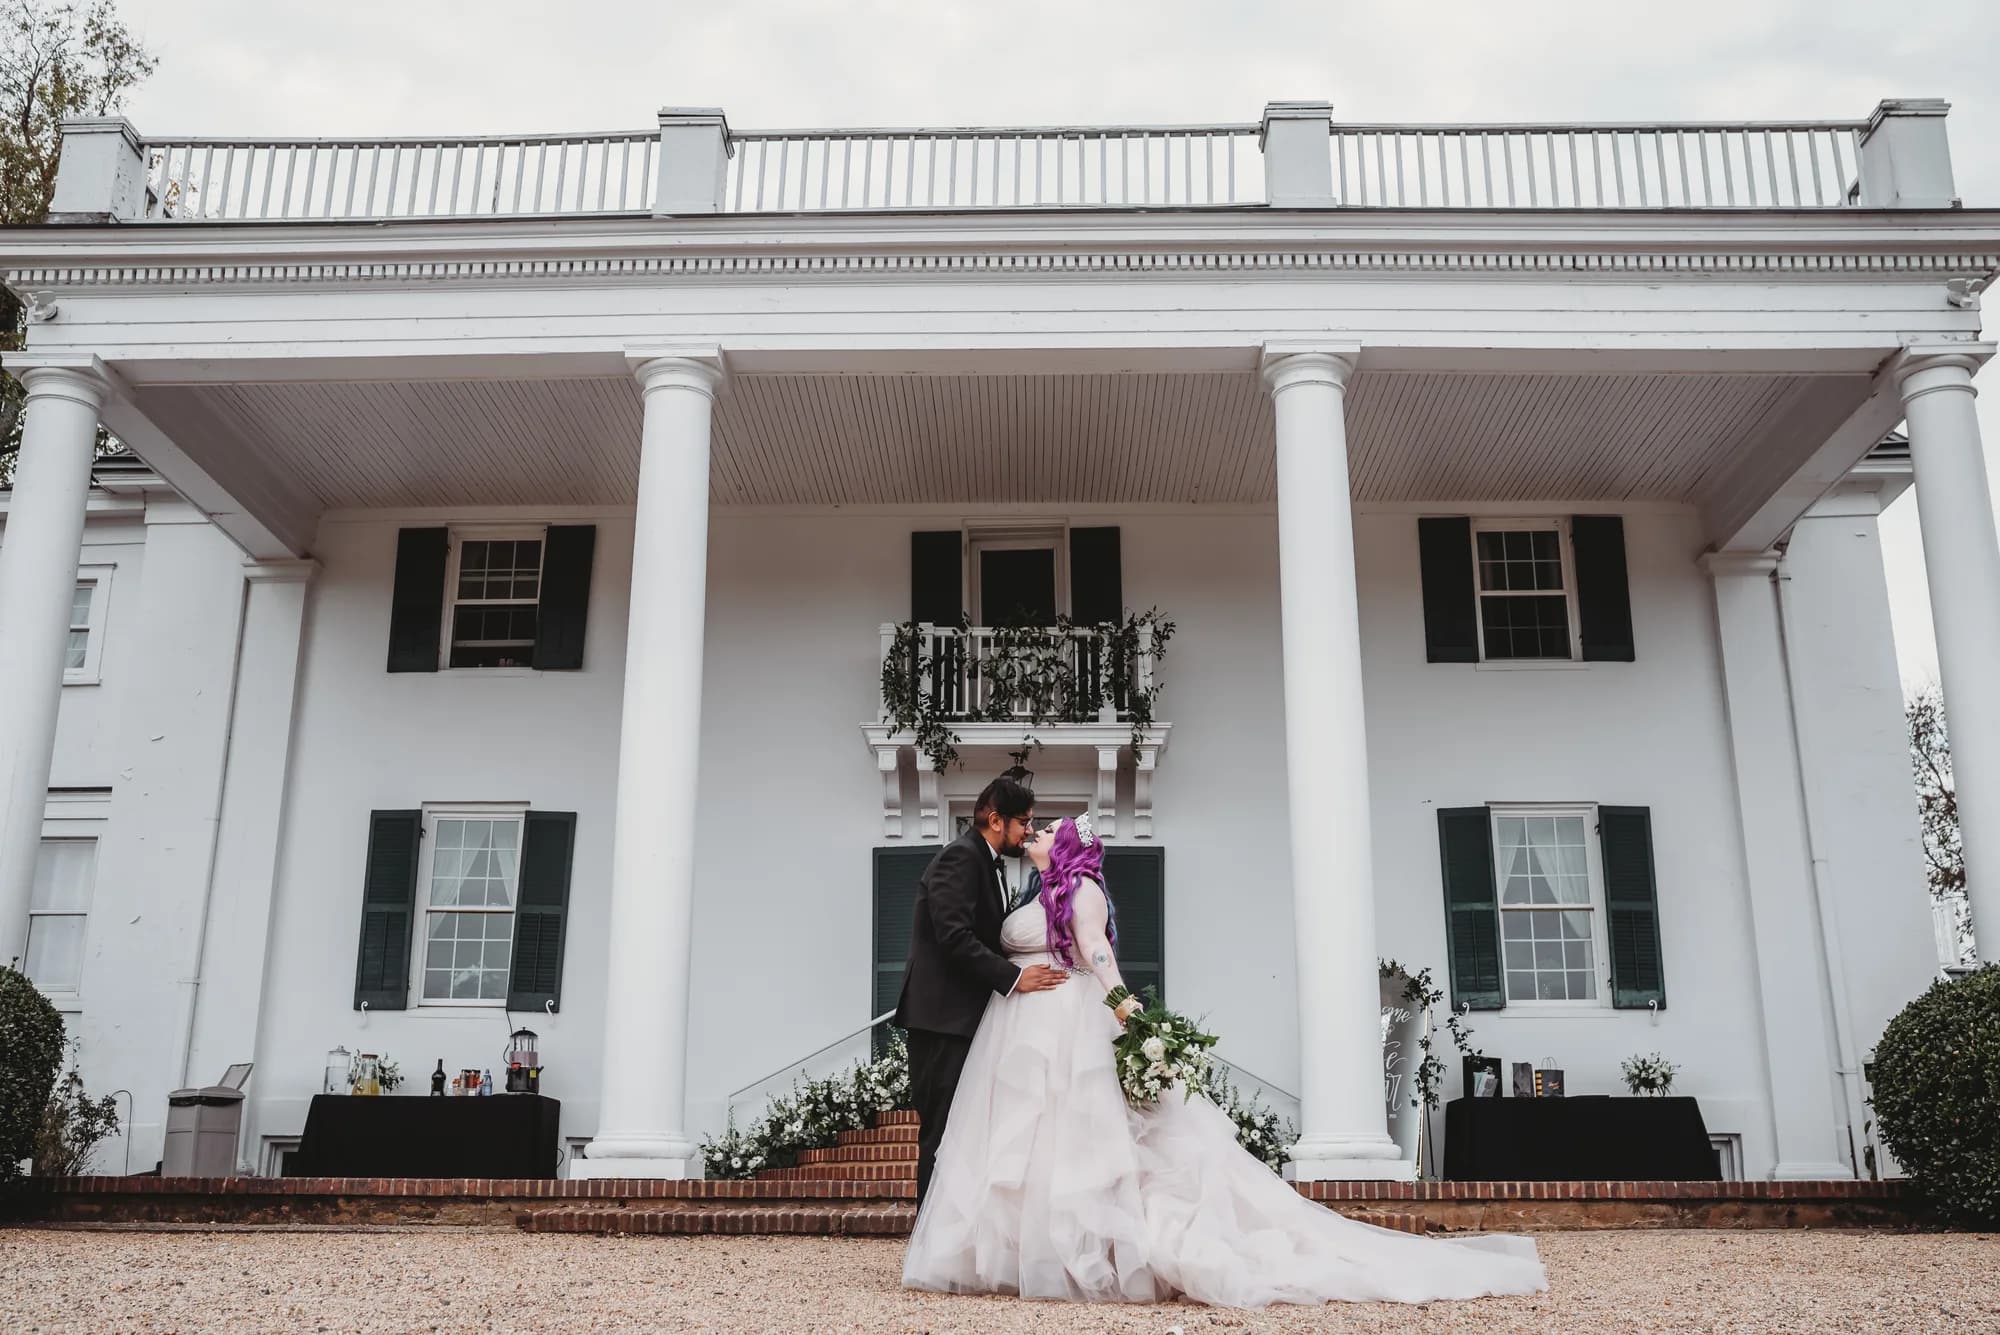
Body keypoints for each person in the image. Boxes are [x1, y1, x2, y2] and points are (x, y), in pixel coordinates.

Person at [902, 814, 1548, 1308]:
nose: (1036, 831)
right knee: (1030, 1143)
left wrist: (1134, 1019)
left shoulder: (1083, 893)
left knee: (1081, 1140)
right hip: (1021, 1029)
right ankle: (1022, 1252)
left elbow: (1099, 957)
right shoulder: (1035, 889)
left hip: (1066, 1023)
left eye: (1047, 829)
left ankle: (1091, 1251)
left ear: (1066, 847)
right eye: (1034, 825)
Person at [893, 774, 1069, 1207]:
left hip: (966, 1020)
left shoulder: (984, 862)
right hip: (942, 1022)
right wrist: (1013, 978)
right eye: (1024, 822)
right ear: (995, 819)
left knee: (964, 1133)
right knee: (942, 1133)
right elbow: (954, 936)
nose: (1029, 830)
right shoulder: (961, 858)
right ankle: (926, 1248)